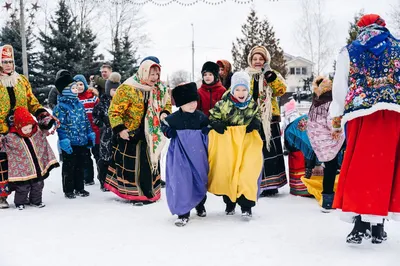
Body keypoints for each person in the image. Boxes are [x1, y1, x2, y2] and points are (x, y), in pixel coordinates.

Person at [330, 14, 400, 244]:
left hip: (361, 113)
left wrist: (337, 114)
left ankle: (360, 223)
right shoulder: (397, 46)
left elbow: (341, 85)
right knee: (385, 167)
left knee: (360, 166)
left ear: (361, 28)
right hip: (393, 113)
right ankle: (378, 225)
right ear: (382, 26)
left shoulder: (350, 50)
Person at [105, 59, 171, 205]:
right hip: (132, 133)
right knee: (133, 166)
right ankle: (135, 195)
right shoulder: (128, 88)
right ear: (143, 72)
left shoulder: (160, 88)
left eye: (157, 74)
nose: (154, 77)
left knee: (149, 163)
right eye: (151, 74)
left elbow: (166, 102)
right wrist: (120, 129)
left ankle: (149, 192)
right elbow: (114, 111)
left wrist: (164, 112)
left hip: (151, 133)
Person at [0, 44, 56, 209]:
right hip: (3, 129)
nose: (8, 64)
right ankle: (2, 196)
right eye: (4, 61)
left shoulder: (21, 80)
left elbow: (32, 101)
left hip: (23, 127)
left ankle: (30, 192)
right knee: (3, 164)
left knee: (27, 160)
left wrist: (42, 114)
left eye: (10, 61)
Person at [208, 71, 263, 219]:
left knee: (247, 174)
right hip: (229, 143)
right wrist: (216, 123)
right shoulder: (223, 104)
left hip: (247, 142)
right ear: (232, 89)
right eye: (238, 89)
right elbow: (213, 116)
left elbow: (257, 115)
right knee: (229, 173)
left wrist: (256, 122)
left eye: (244, 89)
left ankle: (246, 206)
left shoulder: (252, 104)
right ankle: (230, 202)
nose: (241, 93)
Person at [162, 82, 209, 227]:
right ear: (180, 104)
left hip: (198, 154)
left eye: (194, 101)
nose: (192, 105)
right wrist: (168, 131)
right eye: (188, 102)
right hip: (179, 155)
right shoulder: (173, 119)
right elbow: (163, 125)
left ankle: (199, 204)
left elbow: (208, 127)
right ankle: (183, 213)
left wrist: (207, 130)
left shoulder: (201, 117)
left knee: (199, 180)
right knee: (182, 181)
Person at [246, 45, 287, 197]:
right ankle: (257, 182)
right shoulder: (247, 75)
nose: (257, 61)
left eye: (260, 59)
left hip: (269, 119)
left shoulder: (272, 74)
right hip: (253, 118)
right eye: (254, 59)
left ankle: (272, 184)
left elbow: (281, 90)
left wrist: (270, 77)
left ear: (265, 60)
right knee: (255, 152)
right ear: (250, 60)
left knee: (270, 151)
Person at [0, 107, 59, 210]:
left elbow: (45, 128)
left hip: (36, 168)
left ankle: (36, 201)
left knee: (38, 185)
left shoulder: (36, 132)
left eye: (29, 128)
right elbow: (3, 145)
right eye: (25, 129)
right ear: (18, 127)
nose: (28, 131)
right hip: (22, 170)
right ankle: (20, 203)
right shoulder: (11, 137)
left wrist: (49, 122)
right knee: (22, 188)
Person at [53, 71, 95, 199]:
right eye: (74, 87)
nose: (77, 90)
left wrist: (90, 133)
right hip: (70, 143)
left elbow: (86, 121)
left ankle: (79, 187)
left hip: (81, 141)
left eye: (77, 87)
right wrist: (63, 139)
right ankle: (69, 189)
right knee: (69, 167)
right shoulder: (61, 107)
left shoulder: (79, 104)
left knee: (80, 166)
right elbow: (60, 125)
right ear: (65, 90)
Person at [306, 76, 345, 212]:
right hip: (330, 141)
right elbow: (333, 122)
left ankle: (327, 200)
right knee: (331, 169)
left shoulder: (315, 104)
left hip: (319, 143)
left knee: (328, 168)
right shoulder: (331, 104)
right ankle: (329, 200)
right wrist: (338, 129)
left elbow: (310, 125)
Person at [93, 72, 121, 191]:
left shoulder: (121, 103)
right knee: (105, 159)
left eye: (117, 90)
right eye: (113, 90)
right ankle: (103, 181)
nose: (115, 92)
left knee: (117, 159)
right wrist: (103, 125)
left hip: (119, 135)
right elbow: (95, 117)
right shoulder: (102, 103)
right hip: (106, 135)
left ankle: (116, 181)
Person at [74, 74, 100, 186]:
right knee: (85, 156)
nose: (79, 87)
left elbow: (99, 113)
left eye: (81, 84)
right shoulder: (74, 100)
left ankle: (103, 178)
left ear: (85, 85)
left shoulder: (93, 98)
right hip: (82, 133)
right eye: (76, 85)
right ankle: (88, 178)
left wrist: (98, 125)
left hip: (95, 131)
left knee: (98, 155)